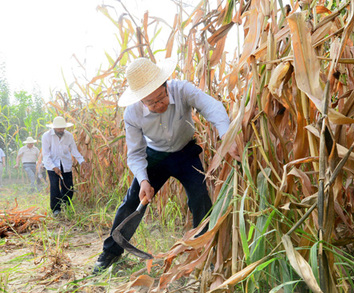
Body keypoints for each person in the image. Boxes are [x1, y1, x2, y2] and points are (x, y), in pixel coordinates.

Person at [93, 57, 240, 274]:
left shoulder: (181, 90)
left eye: (160, 97)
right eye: (150, 103)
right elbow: (135, 153)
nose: (158, 105)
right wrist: (143, 179)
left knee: (200, 199)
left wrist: (227, 135)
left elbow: (213, 107)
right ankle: (111, 252)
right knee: (133, 201)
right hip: (155, 158)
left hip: (186, 153)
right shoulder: (132, 113)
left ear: (165, 85)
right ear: (140, 100)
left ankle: (204, 251)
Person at [42, 116, 87, 217]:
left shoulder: (69, 136)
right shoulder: (47, 136)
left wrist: (81, 161)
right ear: (54, 128)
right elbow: (46, 154)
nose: (61, 130)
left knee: (68, 186)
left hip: (65, 164)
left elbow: (74, 150)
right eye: (59, 128)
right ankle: (56, 209)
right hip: (51, 165)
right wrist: (54, 167)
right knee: (54, 187)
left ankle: (66, 205)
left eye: (63, 128)